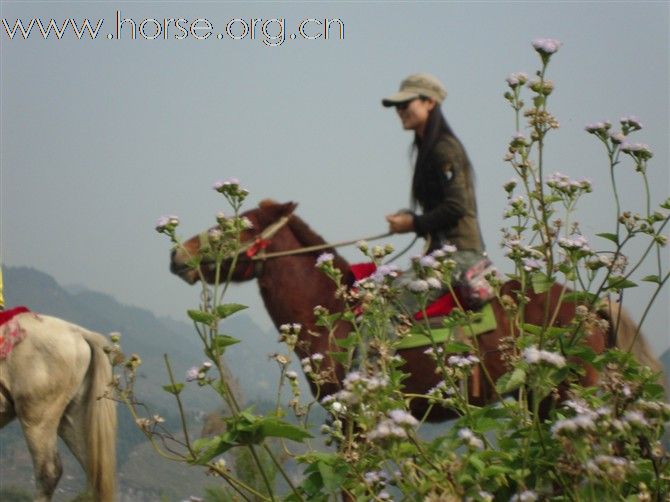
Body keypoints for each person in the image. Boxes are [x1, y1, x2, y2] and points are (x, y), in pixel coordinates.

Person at [382, 73, 492, 309]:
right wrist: (412, 219)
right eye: (396, 106)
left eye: (405, 104)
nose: (399, 111)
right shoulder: (427, 148)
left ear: (430, 102)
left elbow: (457, 206)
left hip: (460, 255)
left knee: (384, 310)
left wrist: (413, 224)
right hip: (442, 254)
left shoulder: (444, 148)